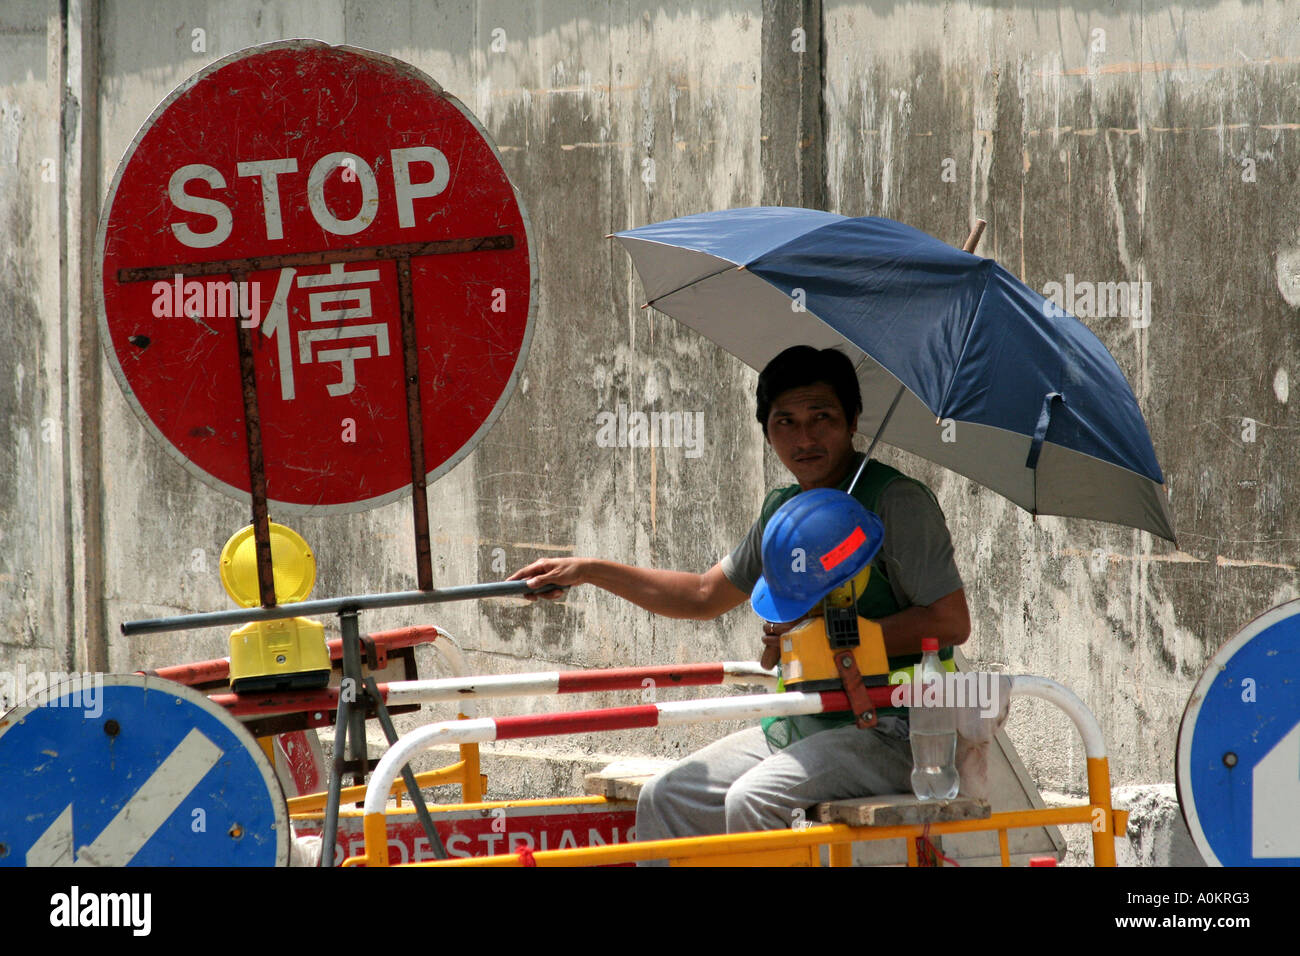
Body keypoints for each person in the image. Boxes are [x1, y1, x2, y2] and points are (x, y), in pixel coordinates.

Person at [507, 345, 969, 847]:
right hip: (807, 720)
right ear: (767, 431)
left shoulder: (895, 502)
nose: (805, 437)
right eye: (785, 422)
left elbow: (950, 621)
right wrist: (589, 570)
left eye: (822, 418)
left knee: (751, 799)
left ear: (853, 421)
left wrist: (832, 633)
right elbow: (705, 594)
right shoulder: (784, 513)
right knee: (666, 797)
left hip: (898, 729)